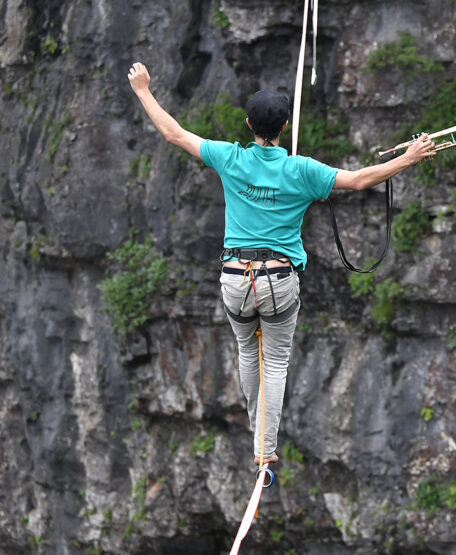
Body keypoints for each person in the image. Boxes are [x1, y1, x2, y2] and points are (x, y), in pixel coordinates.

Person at [127, 62, 435, 466]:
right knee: (274, 360)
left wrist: (144, 90)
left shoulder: (229, 159)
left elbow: (173, 133)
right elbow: (361, 180)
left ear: (248, 123)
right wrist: (408, 158)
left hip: (235, 278)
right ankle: (265, 449)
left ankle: (258, 436)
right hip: (277, 279)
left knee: (246, 349)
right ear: (286, 125)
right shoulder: (301, 170)